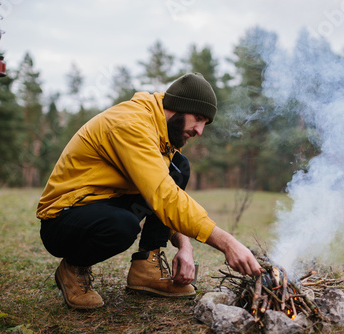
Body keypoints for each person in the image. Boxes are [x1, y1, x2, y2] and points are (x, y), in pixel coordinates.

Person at [36, 73, 262, 309]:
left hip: (105, 201)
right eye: (198, 118)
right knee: (121, 226)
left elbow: (165, 193)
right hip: (63, 218)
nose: (200, 130)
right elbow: (164, 196)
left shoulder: (160, 134)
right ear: (178, 108)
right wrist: (227, 243)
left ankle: (146, 267)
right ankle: (72, 267)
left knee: (179, 167)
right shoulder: (132, 124)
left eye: (205, 123)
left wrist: (185, 246)